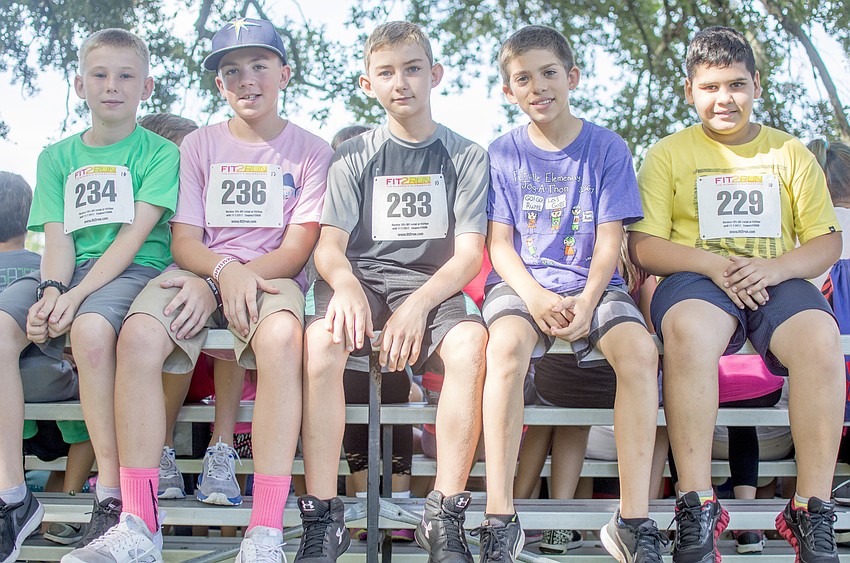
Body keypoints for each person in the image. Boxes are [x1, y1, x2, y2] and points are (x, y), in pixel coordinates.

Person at [63, 17, 332, 563]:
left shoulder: (311, 150)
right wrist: (218, 275)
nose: (247, 79)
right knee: (138, 336)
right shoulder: (198, 145)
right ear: (219, 84)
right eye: (232, 70)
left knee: (283, 340)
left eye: (259, 65)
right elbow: (184, 239)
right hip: (199, 270)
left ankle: (265, 531)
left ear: (284, 73)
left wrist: (235, 277)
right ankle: (139, 523)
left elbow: (298, 246)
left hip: (272, 276)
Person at [628, 26, 844, 563]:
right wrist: (714, 265)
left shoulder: (790, 152)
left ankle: (811, 507)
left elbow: (826, 241)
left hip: (776, 275)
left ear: (756, 86)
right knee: (689, 332)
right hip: (697, 276)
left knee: (821, 336)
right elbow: (644, 245)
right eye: (710, 87)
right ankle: (696, 504)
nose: (724, 98)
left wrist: (772, 269)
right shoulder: (667, 154)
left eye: (736, 85)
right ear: (689, 91)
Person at [302, 20, 489, 562]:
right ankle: (323, 516)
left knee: (471, 345)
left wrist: (419, 305)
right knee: (320, 345)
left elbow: (468, 255)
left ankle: (444, 515)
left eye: (412, 69)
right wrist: (345, 285)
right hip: (360, 278)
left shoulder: (467, 155)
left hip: (430, 282)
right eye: (386, 72)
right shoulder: (351, 156)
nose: (400, 82)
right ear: (368, 84)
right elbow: (329, 247)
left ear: (435, 74)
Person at [479, 24, 663, 562]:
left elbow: (610, 241)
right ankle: (499, 515)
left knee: (640, 353)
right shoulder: (502, 153)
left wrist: (586, 300)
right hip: (521, 283)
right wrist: (535, 297)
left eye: (548, 73)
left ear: (572, 77)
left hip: (594, 285)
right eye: (523, 79)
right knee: (505, 349)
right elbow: (500, 245)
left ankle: (632, 519)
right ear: (508, 91)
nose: (537, 86)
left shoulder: (606, 147)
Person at [0, 27, 179, 563]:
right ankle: (13, 496)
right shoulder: (56, 157)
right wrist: (53, 290)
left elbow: (131, 239)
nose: (112, 86)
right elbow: (57, 241)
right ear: (80, 85)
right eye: (99, 75)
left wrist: (75, 299)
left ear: (146, 87)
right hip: (68, 271)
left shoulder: (161, 153)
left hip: (132, 268)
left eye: (125, 76)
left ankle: (111, 493)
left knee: (92, 331)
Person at [0, 171, 96, 547]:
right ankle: (67, 505)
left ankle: (13, 501)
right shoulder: (46, 268)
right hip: (51, 385)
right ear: (29, 218)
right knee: (92, 411)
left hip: (11, 402)